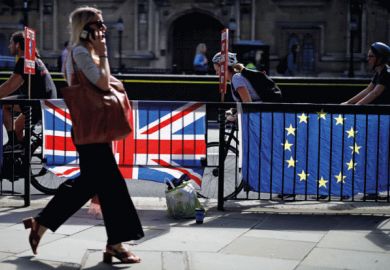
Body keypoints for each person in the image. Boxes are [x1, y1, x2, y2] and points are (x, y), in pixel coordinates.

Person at [22, 6, 144, 264]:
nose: (103, 29)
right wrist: (105, 55)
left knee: (89, 184)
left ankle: (41, 224)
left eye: (102, 24)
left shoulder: (83, 52)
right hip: (91, 129)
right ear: (85, 27)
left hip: (92, 128)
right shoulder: (79, 52)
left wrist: (100, 56)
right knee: (112, 186)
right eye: (98, 24)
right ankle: (116, 244)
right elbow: (102, 83)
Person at [0, 31, 57, 147]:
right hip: (46, 103)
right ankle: (22, 149)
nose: (9, 46)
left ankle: (13, 144)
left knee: (4, 104)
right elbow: (16, 84)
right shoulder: (35, 59)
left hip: (36, 103)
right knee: (17, 128)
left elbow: (10, 86)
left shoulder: (24, 60)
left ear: (17, 45)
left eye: (11, 43)